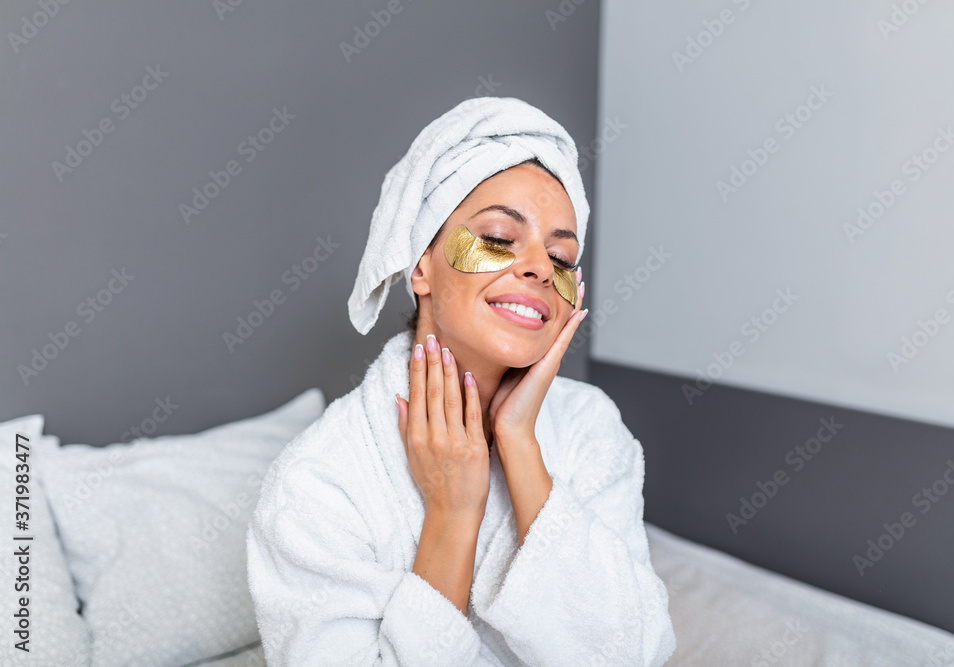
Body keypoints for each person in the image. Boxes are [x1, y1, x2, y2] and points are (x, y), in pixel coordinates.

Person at [246, 97, 676, 666]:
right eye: (499, 237)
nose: (541, 268)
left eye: (562, 257)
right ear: (419, 265)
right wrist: (453, 510)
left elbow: (631, 654)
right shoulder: (320, 478)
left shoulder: (588, 425)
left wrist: (521, 447)